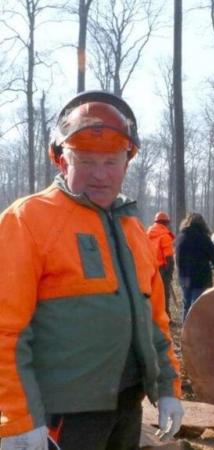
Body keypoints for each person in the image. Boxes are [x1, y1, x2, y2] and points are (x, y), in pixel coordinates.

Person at [0, 90, 183, 449]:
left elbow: (155, 321)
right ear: (61, 160)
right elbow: (5, 328)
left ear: (127, 163)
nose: (100, 175)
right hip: (62, 414)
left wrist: (167, 389)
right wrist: (17, 418)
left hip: (127, 406)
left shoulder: (132, 227)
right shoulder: (28, 220)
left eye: (111, 162)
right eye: (85, 161)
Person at [175, 212, 214, 320]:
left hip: (184, 278)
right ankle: (197, 334)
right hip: (200, 280)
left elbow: (177, 258)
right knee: (198, 308)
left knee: (186, 307)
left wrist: (180, 275)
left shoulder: (180, 237)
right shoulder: (203, 238)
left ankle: (185, 333)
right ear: (202, 224)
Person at [147, 211, 176, 318]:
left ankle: (151, 317)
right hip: (162, 270)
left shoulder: (147, 234)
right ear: (166, 223)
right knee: (164, 295)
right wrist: (169, 274)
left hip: (149, 269)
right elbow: (169, 257)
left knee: (151, 294)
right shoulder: (165, 236)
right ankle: (165, 317)